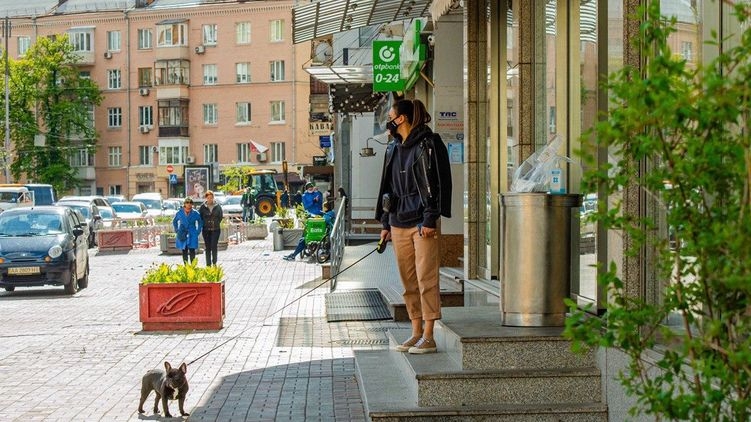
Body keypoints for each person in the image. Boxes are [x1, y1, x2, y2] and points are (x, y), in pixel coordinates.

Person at [376, 98, 452, 355]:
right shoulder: (393, 148)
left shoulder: (430, 143)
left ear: (402, 118)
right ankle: (416, 331)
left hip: (422, 223)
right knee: (408, 282)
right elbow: (387, 188)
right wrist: (385, 223)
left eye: (390, 117)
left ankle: (429, 336)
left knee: (426, 279)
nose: (388, 122)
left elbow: (439, 183)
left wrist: (430, 218)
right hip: (398, 222)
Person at [173, 197, 203, 264]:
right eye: (187, 202)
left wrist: (197, 231)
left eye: (190, 203)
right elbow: (174, 221)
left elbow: (200, 222)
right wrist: (177, 230)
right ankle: (186, 266)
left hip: (192, 233)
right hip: (182, 232)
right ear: (184, 204)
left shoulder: (195, 213)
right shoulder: (180, 212)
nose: (189, 204)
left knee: (192, 250)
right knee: (184, 250)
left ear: (192, 204)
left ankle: (192, 266)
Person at [199, 190, 223, 266]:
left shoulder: (218, 206)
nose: (210, 199)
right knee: (208, 247)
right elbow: (200, 217)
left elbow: (220, 217)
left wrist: (215, 223)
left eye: (211, 197)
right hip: (206, 230)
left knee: (214, 246)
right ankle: (208, 264)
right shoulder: (202, 207)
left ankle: (214, 262)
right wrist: (205, 224)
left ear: (213, 198)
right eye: (208, 197)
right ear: (206, 198)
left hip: (215, 230)